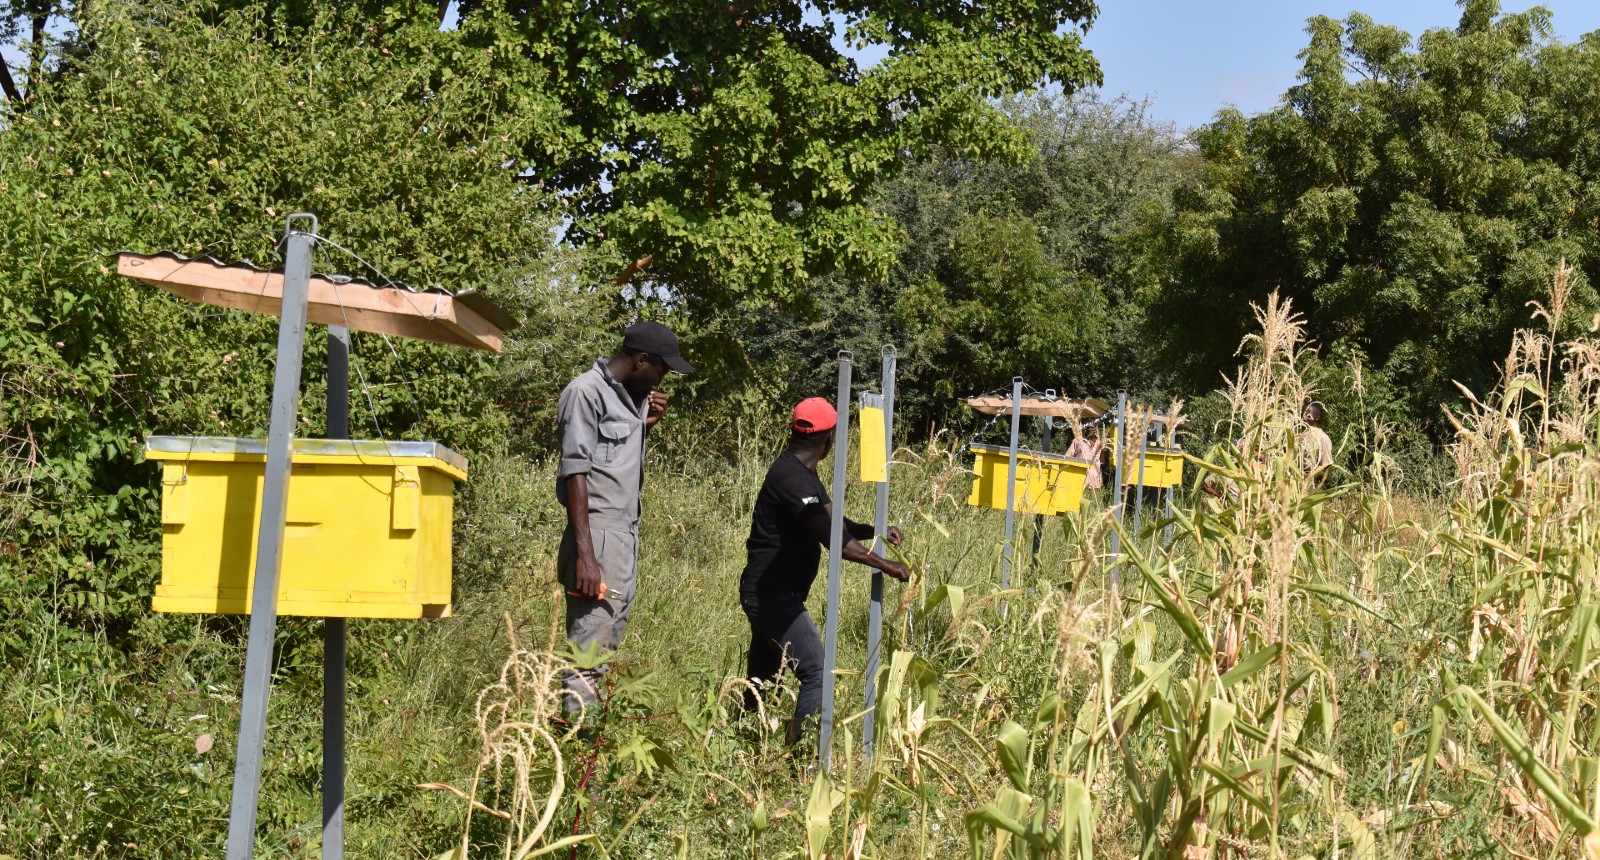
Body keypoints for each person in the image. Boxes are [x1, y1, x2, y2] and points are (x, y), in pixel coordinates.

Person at [740, 397, 911, 746]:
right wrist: (887, 565)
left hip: (769, 592)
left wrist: (874, 530)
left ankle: (745, 745)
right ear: (829, 438)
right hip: (771, 596)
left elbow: (833, 521)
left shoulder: (801, 472)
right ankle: (801, 757)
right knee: (817, 670)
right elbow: (838, 542)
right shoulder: (791, 478)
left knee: (764, 681)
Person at [554, 321, 691, 719]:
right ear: (640, 360)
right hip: (596, 537)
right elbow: (575, 473)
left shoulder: (633, 399)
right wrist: (586, 555)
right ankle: (582, 768)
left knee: (604, 651)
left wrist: (643, 425)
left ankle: (587, 760)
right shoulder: (585, 392)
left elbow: (610, 458)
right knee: (587, 659)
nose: (661, 379)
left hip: (623, 537)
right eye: (660, 370)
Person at [1299, 400, 1333, 483]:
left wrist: (1306, 468)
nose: (1304, 418)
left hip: (1308, 489)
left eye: (1308, 416)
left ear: (1317, 417)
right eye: (1302, 414)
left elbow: (1328, 476)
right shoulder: (1296, 434)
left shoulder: (1323, 439)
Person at [1064, 423, 1104, 489]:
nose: (1091, 430)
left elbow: (1101, 462)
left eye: (1093, 428)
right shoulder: (1077, 440)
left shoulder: (1099, 444)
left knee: (1092, 499)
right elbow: (1067, 457)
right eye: (1090, 428)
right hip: (1079, 478)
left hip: (1094, 481)